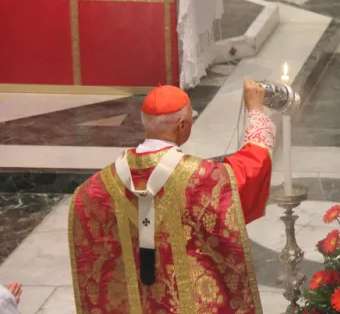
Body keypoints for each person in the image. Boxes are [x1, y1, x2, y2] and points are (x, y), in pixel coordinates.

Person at [69, 80, 275, 313]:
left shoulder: (93, 190)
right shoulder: (205, 180)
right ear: (182, 125)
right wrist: (256, 110)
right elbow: (253, 165)